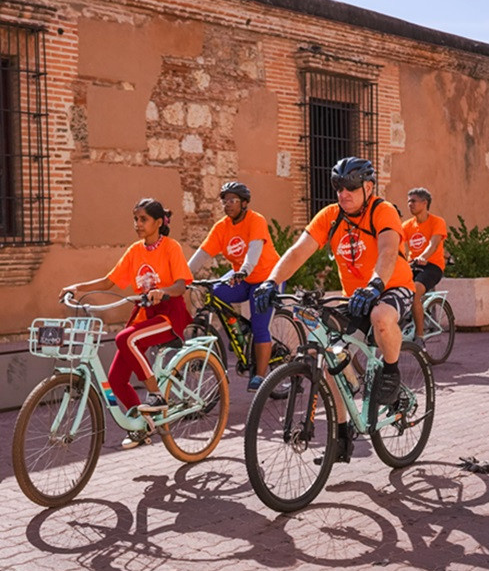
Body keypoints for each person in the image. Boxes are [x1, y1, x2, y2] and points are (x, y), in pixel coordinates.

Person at [254, 157, 414, 463]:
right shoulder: (330, 216)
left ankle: (391, 374)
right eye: (338, 187)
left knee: (381, 316)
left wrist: (376, 284)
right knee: (329, 362)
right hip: (355, 297)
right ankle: (342, 437)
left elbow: (388, 251)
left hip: (392, 287)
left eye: (351, 187)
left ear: (369, 187)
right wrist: (271, 281)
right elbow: (299, 250)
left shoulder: (383, 211)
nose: (343, 193)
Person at [59, 199, 193, 449]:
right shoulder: (134, 250)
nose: (138, 224)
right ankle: (142, 426)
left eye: (143, 219)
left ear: (157, 222)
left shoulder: (171, 248)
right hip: (144, 315)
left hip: (168, 314)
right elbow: (109, 281)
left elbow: (181, 285)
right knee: (116, 379)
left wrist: (161, 291)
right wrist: (77, 287)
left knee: (124, 338)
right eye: (135, 219)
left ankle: (155, 396)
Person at [187, 181, 280, 393]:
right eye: (224, 201)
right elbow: (203, 253)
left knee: (259, 326)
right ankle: (237, 330)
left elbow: (254, 249)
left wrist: (245, 270)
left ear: (244, 203)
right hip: (242, 277)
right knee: (215, 293)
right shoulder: (221, 227)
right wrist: (182, 275)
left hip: (266, 277)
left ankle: (260, 376)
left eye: (232, 200)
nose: (227, 205)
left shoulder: (256, 220)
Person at [402, 187, 448, 349]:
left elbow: (433, 244)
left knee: (414, 292)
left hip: (432, 266)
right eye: (408, 201)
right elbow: (397, 245)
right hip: (412, 265)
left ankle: (419, 337)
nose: (409, 204)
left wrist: (424, 257)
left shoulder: (437, 222)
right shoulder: (407, 226)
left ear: (424, 203)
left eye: (413, 201)